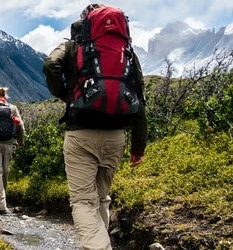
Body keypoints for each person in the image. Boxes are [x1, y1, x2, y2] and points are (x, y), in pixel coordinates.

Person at [42, 3, 147, 249]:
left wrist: (66, 94)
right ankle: (97, 243)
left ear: (85, 23)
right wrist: (139, 145)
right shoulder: (127, 52)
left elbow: (50, 65)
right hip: (116, 136)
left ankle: (98, 247)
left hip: (81, 134)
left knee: (82, 202)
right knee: (101, 197)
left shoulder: (72, 46)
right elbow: (139, 98)